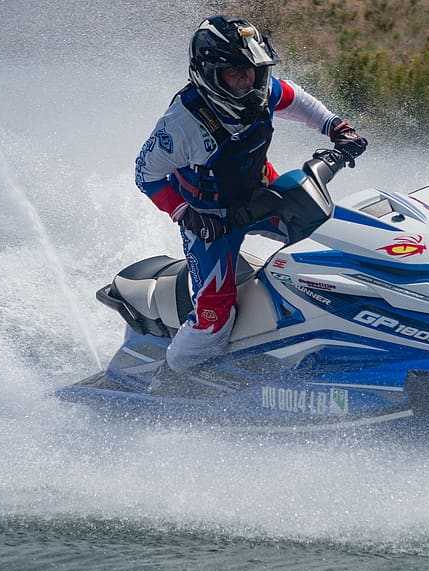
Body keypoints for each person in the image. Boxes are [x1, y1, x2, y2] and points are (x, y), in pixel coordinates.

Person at [135, 15, 367, 374]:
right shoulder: (181, 125)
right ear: (210, 74)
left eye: (254, 71)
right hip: (212, 221)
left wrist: (336, 128)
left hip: (264, 195)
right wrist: (186, 214)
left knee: (330, 240)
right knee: (215, 317)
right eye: (236, 73)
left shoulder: (261, 89)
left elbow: (298, 100)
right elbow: (146, 174)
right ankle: (170, 377)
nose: (248, 81)